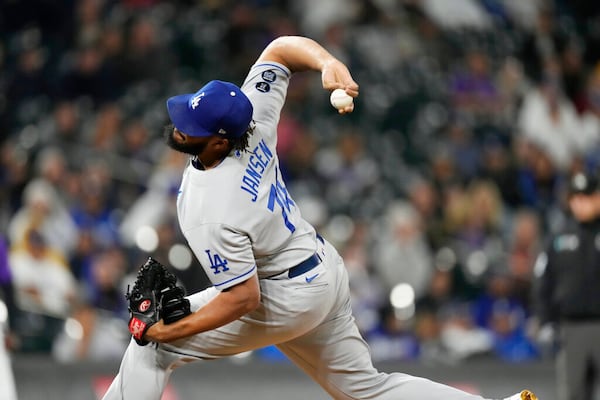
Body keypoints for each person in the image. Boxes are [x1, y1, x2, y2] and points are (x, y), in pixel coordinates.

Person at [102, 35, 537, 400]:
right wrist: (328, 62)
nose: (179, 127)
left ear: (218, 141)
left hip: (280, 295)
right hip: (319, 268)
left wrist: (166, 333)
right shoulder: (252, 125)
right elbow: (279, 51)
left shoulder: (207, 208)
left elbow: (242, 299)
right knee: (366, 390)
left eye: (190, 125)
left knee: (150, 349)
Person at [533, 169, 600, 400]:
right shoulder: (558, 237)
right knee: (573, 393)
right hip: (571, 327)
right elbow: (544, 281)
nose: (583, 203)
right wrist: (545, 320)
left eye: (589, 197)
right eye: (577, 198)